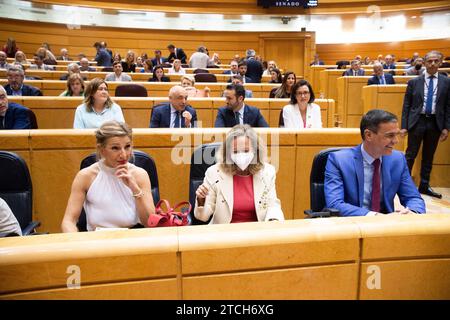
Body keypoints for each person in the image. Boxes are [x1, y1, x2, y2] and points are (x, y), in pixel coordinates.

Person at [324, 109, 426, 216]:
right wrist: (374, 217)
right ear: (368, 135)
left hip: (386, 228)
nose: (396, 141)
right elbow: (334, 204)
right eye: (390, 135)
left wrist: (412, 212)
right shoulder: (338, 160)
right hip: (352, 225)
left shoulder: (398, 159)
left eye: (396, 135)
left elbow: (413, 197)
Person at [61, 121, 155, 232]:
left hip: (131, 238)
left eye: (127, 146)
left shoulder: (140, 175)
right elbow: (69, 221)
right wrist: (76, 243)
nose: (124, 154)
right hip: (96, 240)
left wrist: (135, 189)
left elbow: (150, 223)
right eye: (115, 148)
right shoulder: (85, 176)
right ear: (102, 150)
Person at [195, 124, 284, 224]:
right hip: (224, 234)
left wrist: (273, 221)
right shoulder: (214, 173)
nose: (241, 155)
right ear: (228, 153)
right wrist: (201, 201)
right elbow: (203, 217)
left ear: (255, 150)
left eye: (246, 150)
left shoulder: (267, 172)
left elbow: (273, 205)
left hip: (257, 234)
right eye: (235, 151)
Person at [401, 50, 450, 199]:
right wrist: (404, 126)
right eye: (430, 61)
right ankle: (405, 186)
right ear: (424, 62)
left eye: (436, 61)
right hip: (417, 121)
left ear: (440, 62)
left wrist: (447, 127)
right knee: (410, 155)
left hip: (435, 123)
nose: (433, 63)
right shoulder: (414, 82)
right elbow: (406, 105)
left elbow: (448, 106)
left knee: (429, 156)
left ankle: (424, 185)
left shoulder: (446, 82)